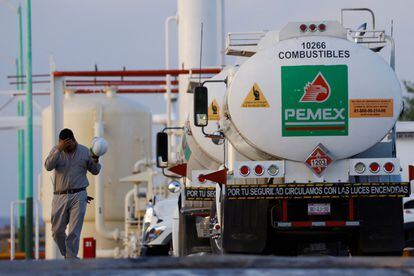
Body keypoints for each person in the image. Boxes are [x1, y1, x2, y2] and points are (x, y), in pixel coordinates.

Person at [44, 128, 101, 259]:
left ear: (74, 140)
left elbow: (95, 171)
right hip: (60, 195)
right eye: (65, 145)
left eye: (70, 144)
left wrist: (96, 160)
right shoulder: (56, 151)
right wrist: (58, 149)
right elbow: (48, 166)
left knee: (74, 231)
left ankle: (71, 259)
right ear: (60, 143)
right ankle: (67, 255)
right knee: (57, 231)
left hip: (79, 194)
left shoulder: (85, 151)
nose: (68, 147)